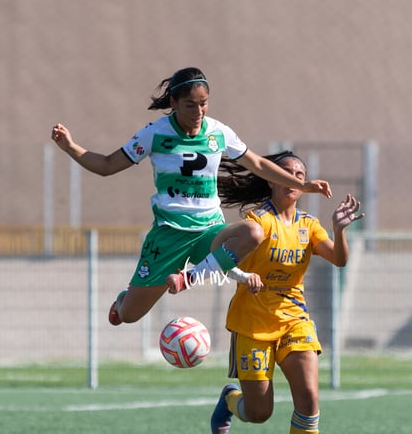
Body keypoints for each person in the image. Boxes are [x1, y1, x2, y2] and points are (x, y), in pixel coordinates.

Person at [51, 67, 332, 326]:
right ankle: (124, 300)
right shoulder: (154, 134)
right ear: (173, 103)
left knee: (254, 233)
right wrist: (71, 148)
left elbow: (258, 165)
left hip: (209, 230)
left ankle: (188, 278)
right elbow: (107, 165)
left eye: (204, 103)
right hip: (169, 234)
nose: (199, 111)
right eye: (191, 105)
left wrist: (304, 186)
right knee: (129, 316)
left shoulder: (218, 132)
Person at [209, 151, 364, 434]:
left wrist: (339, 230)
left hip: (294, 317)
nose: (294, 177)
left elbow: (339, 259)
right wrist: (242, 274)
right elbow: (222, 257)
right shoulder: (257, 220)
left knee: (309, 396)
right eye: (288, 172)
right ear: (271, 179)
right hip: (252, 321)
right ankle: (232, 400)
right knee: (259, 412)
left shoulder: (309, 225)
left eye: (300, 173)